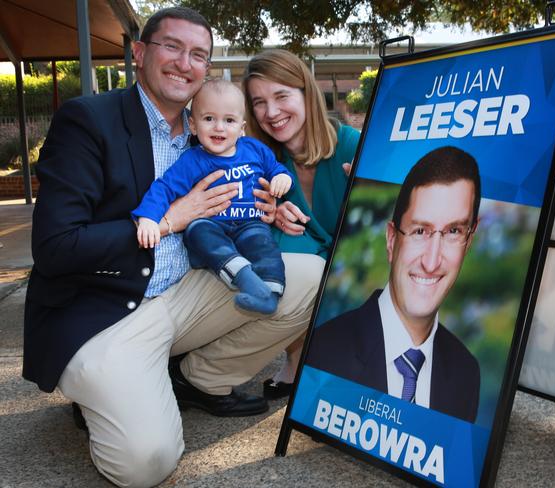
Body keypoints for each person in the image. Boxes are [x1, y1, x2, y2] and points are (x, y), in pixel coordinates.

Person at [23, 7, 323, 487]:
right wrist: (169, 220)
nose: (185, 63)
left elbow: (246, 188)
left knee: (308, 278)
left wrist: (267, 209)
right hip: (105, 312)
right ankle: (105, 390)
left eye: (198, 54)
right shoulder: (87, 120)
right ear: (140, 53)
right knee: (146, 463)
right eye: (172, 47)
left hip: (183, 297)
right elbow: (56, 246)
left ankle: (197, 378)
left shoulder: (211, 129)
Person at [306, 146, 481, 423]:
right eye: (419, 231)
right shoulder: (324, 350)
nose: (432, 262)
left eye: (453, 232)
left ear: (469, 241)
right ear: (391, 240)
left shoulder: (466, 371)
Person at [242, 49, 360, 398]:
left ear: (306, 93)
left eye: (281, 96)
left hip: (353, 261)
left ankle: (337, 357)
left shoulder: (351, 145)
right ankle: (295, 358)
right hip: (307, 262)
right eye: (259, 102)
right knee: (277, 248)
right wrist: (268, 211)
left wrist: (371, 189)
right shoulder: (258, 161)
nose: (272, 112)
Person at [133, 79, 293, 314]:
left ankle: (269, 294)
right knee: (197, 229)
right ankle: (243, 276)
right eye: (209, 119)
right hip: (213, 227)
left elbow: (276, 168)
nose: (219, 127)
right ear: (193, 125)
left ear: (242, 128)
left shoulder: (254, 149)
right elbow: (164, 188)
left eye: (229, 120)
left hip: (250, 223)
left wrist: (282, 179)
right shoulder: (193, 160)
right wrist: (148, 218)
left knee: (264, 245)